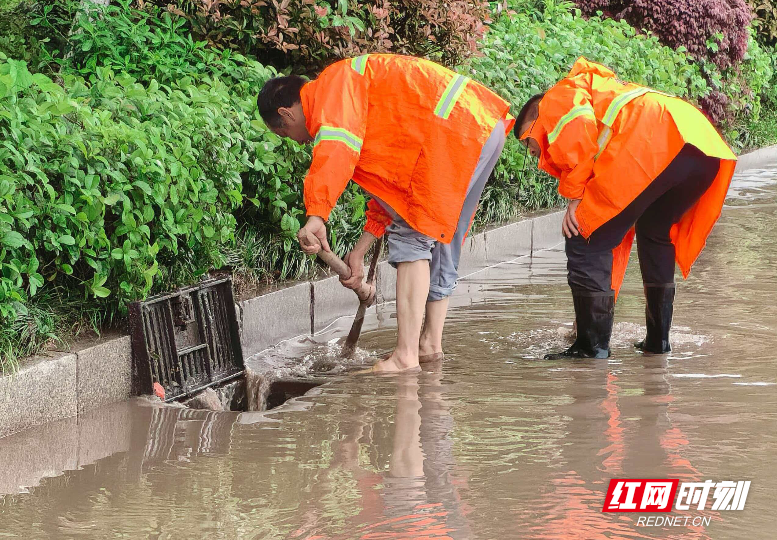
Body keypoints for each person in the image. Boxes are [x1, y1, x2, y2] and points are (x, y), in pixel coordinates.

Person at [257, 54, 510, 372]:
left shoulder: (332, 90)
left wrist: (317, 214)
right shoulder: (353, 92)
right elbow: (394, 194)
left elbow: (336, 150)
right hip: (480, 127)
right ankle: (429, 345)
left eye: (284, 134)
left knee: (413, 235)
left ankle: (405, 357)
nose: (297, 142)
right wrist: (360, 251)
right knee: (442, 235)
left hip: (453, 132)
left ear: (286, 113)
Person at [513, 58, 736, 359]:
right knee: (654, 230)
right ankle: (658, 342)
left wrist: (575, 198)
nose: (533, 152)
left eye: (528, 141)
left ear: (535, 118)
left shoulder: (556, 98)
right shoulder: (599, 92)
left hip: (657, 142)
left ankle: (591, 349)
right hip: (700, 144)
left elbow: (578, 132)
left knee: (584, 235)